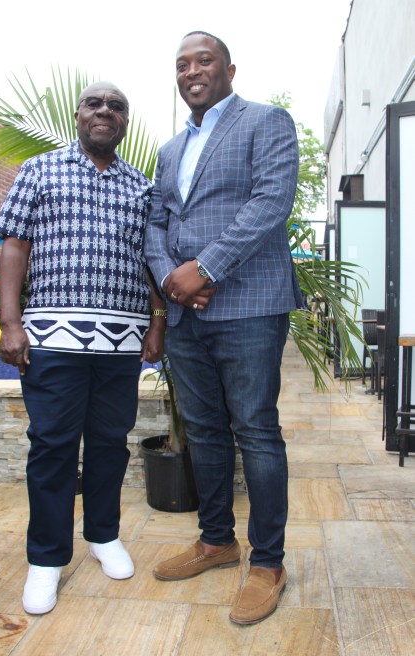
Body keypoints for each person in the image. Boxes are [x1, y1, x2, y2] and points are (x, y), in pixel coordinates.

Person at [144, 32, 302, 625]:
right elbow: (156, 220)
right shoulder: (168, 149)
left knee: (256, 431)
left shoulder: (265, 121)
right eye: (181, 63)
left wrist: (204, 266)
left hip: (250, 306)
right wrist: (171, 278)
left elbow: (271, 202)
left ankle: (268, 562)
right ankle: (216, 541)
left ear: (229, 69)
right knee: (206, 431)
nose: (191, 71)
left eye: (203, 60)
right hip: (186, 313)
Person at [0, 81, 165, 615]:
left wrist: (156, 323)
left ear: (125, 122)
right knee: (52, 446)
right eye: (95, 103)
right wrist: (10, 321)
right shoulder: (40, 170)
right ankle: (46, 559)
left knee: (111, 443)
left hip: (120, 342)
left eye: (116, 106)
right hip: (51, 341)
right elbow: (14, 243)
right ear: (77, 113)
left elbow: (152, 258)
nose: (105, 111)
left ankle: (104, 535)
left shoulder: (142, 186)